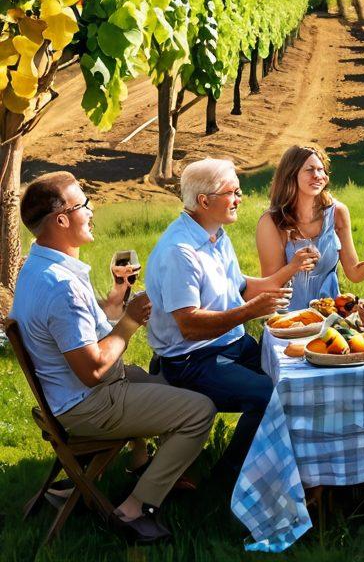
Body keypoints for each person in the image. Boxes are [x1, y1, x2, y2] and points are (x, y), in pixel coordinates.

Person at [11, 171, 216, 545]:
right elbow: (92, 370)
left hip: (64, 396)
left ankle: (141, 466)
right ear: (62, 220)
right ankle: (136, 507)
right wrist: (130, 321)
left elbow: (79, 329)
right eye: (84, 204)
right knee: (199, 411)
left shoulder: (39, 266)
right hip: (88, 403)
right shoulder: (61, 287)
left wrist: (118, 294)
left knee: (166, 382)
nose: (92, 211)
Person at [144, 159, 290, 482]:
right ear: (204, 201)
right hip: (191, 360)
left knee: (290, 377)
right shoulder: (180, 252)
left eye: (239, 191)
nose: (239, 199)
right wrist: (250, 311)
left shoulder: (216, 235)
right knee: (268, 395)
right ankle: (230, 476)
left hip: (230, 343)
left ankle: (284, 462)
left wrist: (288, 275)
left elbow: (241, 287)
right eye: (232, 192)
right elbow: (190, 326)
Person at [255, 144, 364, 310]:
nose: (317, 175)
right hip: (289, 319)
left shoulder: (337, 213)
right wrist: (293, 266)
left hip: (330, 316)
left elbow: (354, 273)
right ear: (291, 175)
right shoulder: (272, 221)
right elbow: (269, 287)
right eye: (309, 170)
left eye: (321, 170)